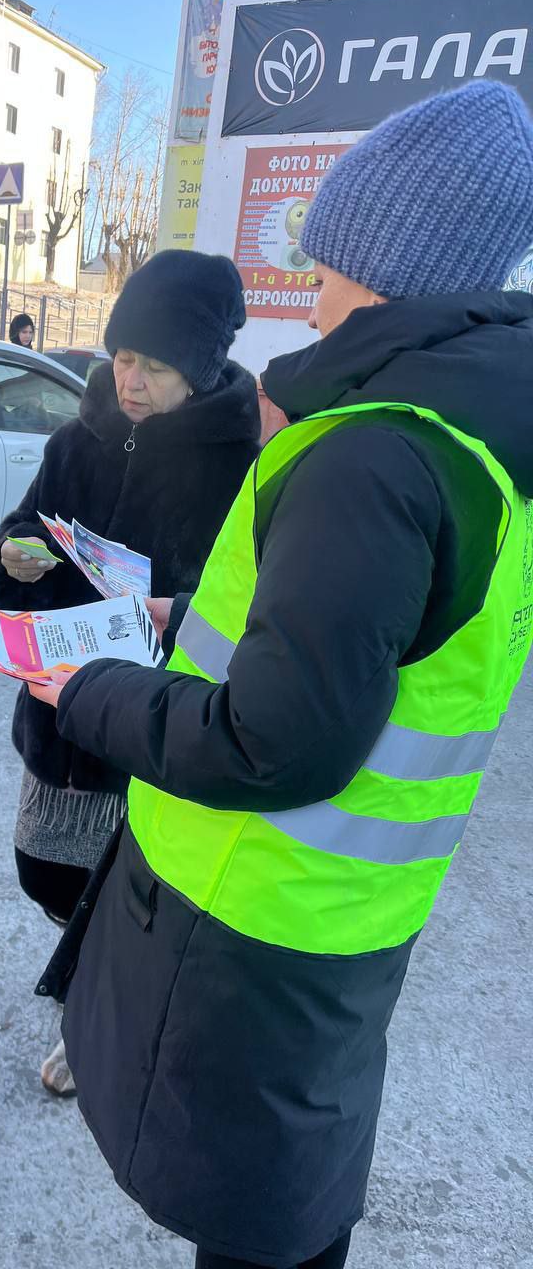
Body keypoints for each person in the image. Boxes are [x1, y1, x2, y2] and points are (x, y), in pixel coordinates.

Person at [32, 81, 533, 1268]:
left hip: (254, 922)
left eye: (325, 264)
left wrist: (86, 692)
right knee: (289, 1197)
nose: (309, 296)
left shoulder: (373, 449)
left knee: (260, 1225)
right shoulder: (470, 433)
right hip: (339, 914)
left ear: (382, 259)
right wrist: (176, 612)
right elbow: (378, 645)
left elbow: (275, 739)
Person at [0, 250, 260, 1093]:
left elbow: (257, 608)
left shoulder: (244, 462)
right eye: (125, 357)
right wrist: (15, 560)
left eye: (158, 365)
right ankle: (104, 987)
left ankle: (105, 1022)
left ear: (203, 368)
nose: (132, 381)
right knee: (48, 873)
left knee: (139, 903)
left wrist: (172, 613)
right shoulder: (78, 439)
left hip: (158, 722)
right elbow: (20, 530)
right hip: (63, 710)